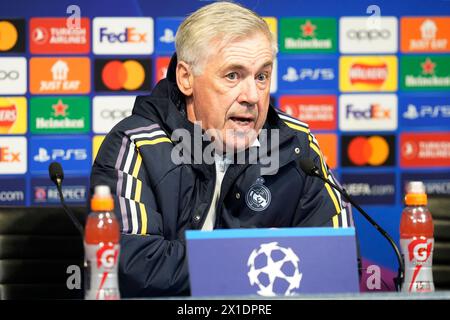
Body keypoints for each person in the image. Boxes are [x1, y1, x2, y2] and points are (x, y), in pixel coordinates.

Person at [91, 1, 353, 297]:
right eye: (233, 76)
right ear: (186, 78)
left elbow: (338, 259)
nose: (252, 96)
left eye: (262, 76)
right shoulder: (137, 144)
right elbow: (132, 265)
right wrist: (250, 256)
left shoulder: (295, 145)